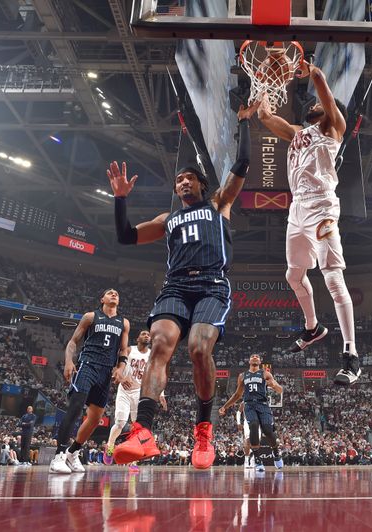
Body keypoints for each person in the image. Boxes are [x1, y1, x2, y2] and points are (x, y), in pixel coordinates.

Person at [111, 101, 259, 469]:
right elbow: (126, 236)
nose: (182, 181)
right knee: (159, 344)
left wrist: (244, 124)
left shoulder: (219, 204)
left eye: (188, 177)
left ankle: (203, 430)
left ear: (200, 184)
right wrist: (120, 198)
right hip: (175, 287)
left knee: (197, 348)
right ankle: (142, 431)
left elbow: (241, 166)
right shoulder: (169, 217)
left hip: (211, 286)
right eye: (178, 179)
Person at [256, 61, 360, 387]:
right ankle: (313, 327)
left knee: (332, 276)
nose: (314, 105)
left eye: (319, 104)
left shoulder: (334, 127)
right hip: (297, 209)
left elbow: (321, 84)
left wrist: (310, 70)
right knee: (293, 275)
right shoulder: (300, 134)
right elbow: (265, 117)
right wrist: (263, 85)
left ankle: (351, 355)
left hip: (323, 208)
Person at [50, 288, 131, 474]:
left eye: (117, 293)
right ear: (102, 298)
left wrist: (120, 368)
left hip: (106, 372)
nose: (114, 294)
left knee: (95, 419)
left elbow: (123, 350)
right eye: (109, 292)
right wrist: (69, 361)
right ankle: (59, 456)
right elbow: (73, 342)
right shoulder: (90, 316)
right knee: (76, 407)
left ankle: (73, 452)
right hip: (88, 365)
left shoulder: (123, 323)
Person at [103, 329, 167, 465]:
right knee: (120, 422)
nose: (146, 336)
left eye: (149, 335)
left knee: (137, 426)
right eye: (143, 334)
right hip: (124, 391)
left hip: (139, 392)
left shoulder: (151, 355)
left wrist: (161, 393)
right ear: (138, 338)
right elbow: (115, 367)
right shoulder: (129, 350)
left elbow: (156, 374)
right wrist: (121, 377)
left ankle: (133, 461)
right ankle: (110, 446)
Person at [218, 353, 284, 472]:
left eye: (257, 357)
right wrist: (225, 406)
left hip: (263, 404)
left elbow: (280, 390)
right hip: (249, 405)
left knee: (268, 431)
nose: (255, 357)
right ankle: (258, 460)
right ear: (249, 361)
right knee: (253, 426)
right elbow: (237, 395)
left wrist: (274, 385)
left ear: (260, 362)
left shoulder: (265, 374)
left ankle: (276, 453)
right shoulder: (243, 376)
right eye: (253, 356)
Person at [237, 402, 254, 469]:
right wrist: (238, 423)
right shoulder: (244, 402)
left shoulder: (259, 401)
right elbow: (238, 412)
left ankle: (253, 459)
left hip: (257, 422)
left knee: (256, 442)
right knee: (248, 440)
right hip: (247, 422)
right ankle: (246, 460)